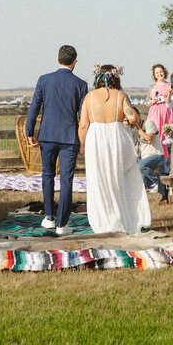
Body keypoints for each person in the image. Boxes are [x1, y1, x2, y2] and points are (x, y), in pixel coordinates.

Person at [79, 64, 150, 235]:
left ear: (98, 78)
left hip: (96, 138)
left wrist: (81, 145)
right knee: (121, 178)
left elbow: (83, 125)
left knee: (99, 179)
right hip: (117, 138)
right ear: (116, 78)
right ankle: (123, 217)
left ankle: (103, 221)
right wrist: (134, 115)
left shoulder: (89, 97)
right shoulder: (121, 96)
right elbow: (133, 118)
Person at [25, 45, 88, 235]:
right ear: (74, 62)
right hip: (70, 136)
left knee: (47, 175)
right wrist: (83, 140)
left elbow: (34, 107)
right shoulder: (81, 84)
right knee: (67, 179)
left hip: (47, 135)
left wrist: (30, 131)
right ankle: (63, 224)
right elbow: (83, 117)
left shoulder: (44, 80)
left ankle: (49, 217)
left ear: (58, 59)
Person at [146, 64, 173, 155]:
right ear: (154, 75)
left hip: (168, 111)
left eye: (161, 72)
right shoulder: (152, 87)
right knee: (156, 133)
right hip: (155, 112)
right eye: (157, 72)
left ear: (164, 72)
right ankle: (156, 156)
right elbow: (147, 103)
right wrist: (152, 101)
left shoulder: (169, 85)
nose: (159, 74)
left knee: (168, 134)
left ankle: (168, 158)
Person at [135, 118, 164, 191]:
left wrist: (138, 127)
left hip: (156, 155)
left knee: (140, 166)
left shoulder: (148, 123)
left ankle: (158, 182)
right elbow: (136, 146)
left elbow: (149, 139)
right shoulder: (132, 129)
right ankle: (159, 180)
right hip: (144, 158)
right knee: (142, 187)